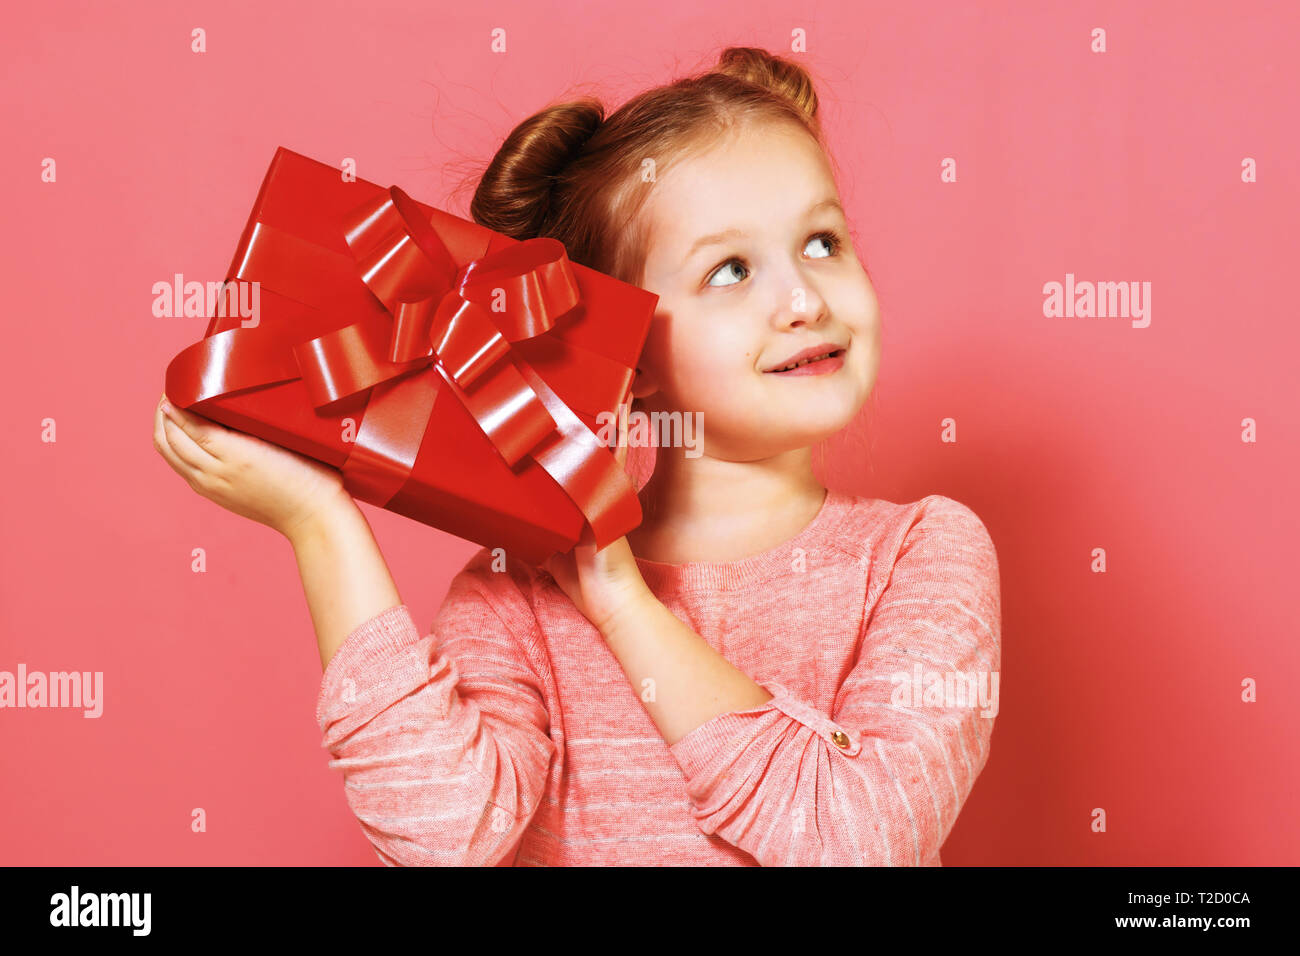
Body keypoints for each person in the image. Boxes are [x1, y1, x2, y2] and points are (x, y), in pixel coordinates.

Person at [151, 46, 1001, 866]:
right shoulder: (515, 598)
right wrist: (321, 524)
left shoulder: (921, 555)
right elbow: (446, 840)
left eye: (823, 242)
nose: (805, 298)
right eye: (732, 269)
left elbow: (858, 841)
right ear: (630, 361)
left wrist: (625, 606)